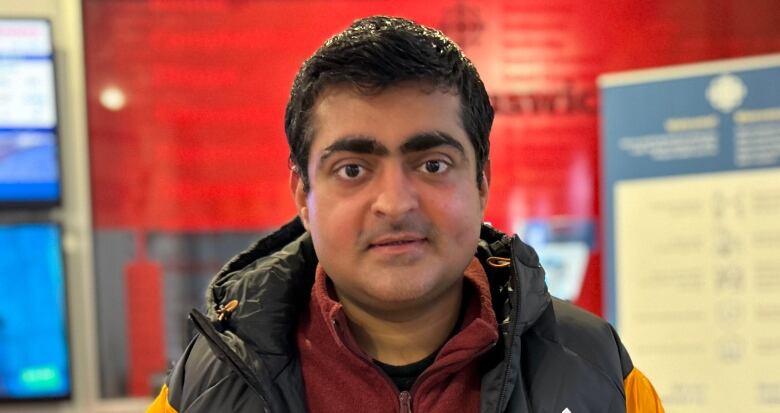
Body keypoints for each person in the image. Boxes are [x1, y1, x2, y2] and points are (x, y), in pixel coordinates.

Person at [147, 15, 664, 413]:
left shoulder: (596, 371)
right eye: (352, 169)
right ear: (302, 194)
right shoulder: (209, 386)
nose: (395, 203)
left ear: (482, 179)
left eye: (433, 164)